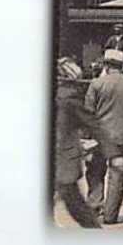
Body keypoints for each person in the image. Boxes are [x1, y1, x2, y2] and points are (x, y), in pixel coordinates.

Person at [84, 47, 123, 225]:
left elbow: (88, 113)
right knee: (117, 177)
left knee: (95, 171)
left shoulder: (96, 84)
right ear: (122, 65)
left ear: (106, 64)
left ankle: (94, 205)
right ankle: (110, 217)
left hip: (100, 140)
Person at [52, 58, 101, 229]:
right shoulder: (69, 97)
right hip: (65, 162)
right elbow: (93, 123)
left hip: (63, 161)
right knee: (77, 207)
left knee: (75, 205)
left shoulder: (68, 96)